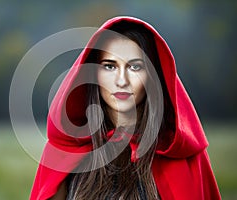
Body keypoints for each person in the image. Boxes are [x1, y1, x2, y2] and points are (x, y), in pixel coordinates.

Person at [30, 16, 221, 200]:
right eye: (110, 66)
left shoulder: (182, 156)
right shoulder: (66, 154)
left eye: (135, 67)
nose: (122, 81)